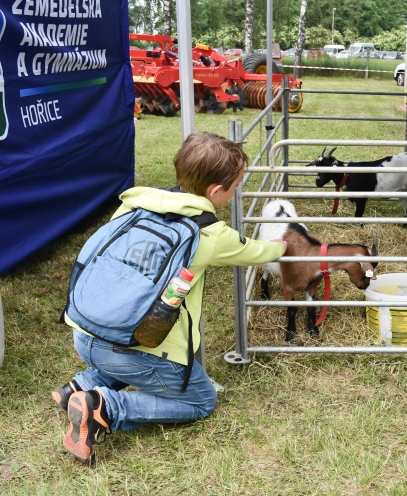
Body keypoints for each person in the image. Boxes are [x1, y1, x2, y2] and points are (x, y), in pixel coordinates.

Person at [53, 131, 287, 463]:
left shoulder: (132, 205)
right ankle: (103, 407)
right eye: (236, 186)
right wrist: (285, 244)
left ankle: (77, 387)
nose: (236, 191)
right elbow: (258, 251)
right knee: (201, 401)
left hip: (86, 331)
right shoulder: (210, 233)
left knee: (132, 350)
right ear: (216, 191)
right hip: (133, 347)